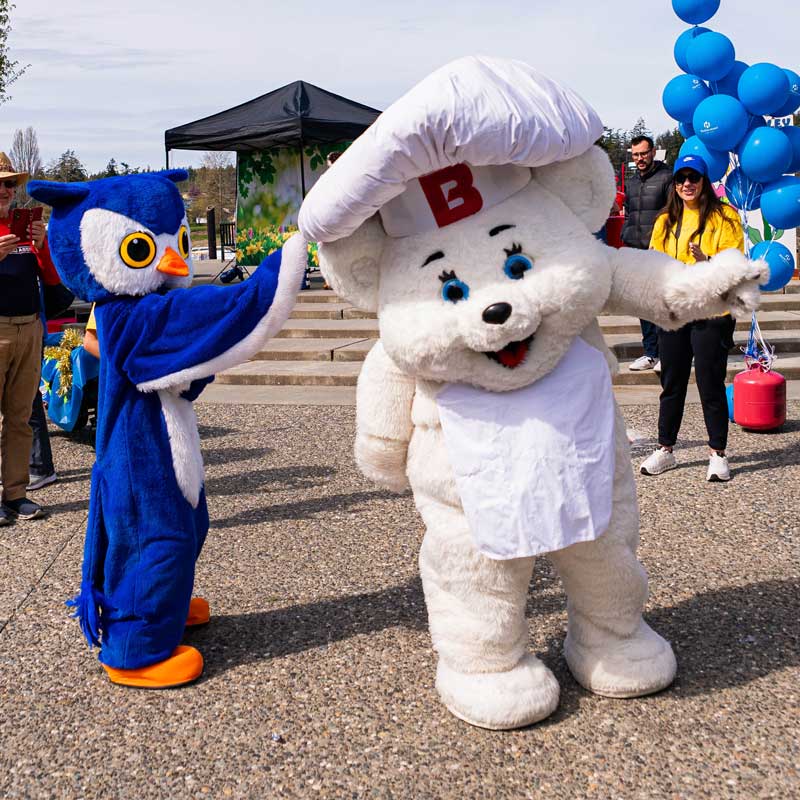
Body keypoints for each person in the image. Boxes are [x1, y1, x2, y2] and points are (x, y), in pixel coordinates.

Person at [639, 155, 745, 482]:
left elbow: (735, 266)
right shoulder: (665, 220)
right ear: (675, 183)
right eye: (681, 178)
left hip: (712, 311)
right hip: (675, 311)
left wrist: (707, 260)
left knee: (710, 383)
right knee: (671, 383)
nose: (687, 183)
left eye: (693, 177)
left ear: (704, 182)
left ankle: (717, 454)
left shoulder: (725, 217)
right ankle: (666, 449)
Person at [0, 152, 59, 523]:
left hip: (29, 328)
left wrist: (42, 248)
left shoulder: (25, 226)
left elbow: (52, 282)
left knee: (21, 418)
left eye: (9, 183)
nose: (5, 190)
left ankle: (16, 494)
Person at [621, 135, 672, 373]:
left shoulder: (667, 178)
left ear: (652, 152)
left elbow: (673, 214)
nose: (640, 159)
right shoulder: (631, 182)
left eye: (643, 153)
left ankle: (667, 353)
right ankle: (650, 353)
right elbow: (630, 212)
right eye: (635, 155)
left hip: (658, 251)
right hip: (635, 249)